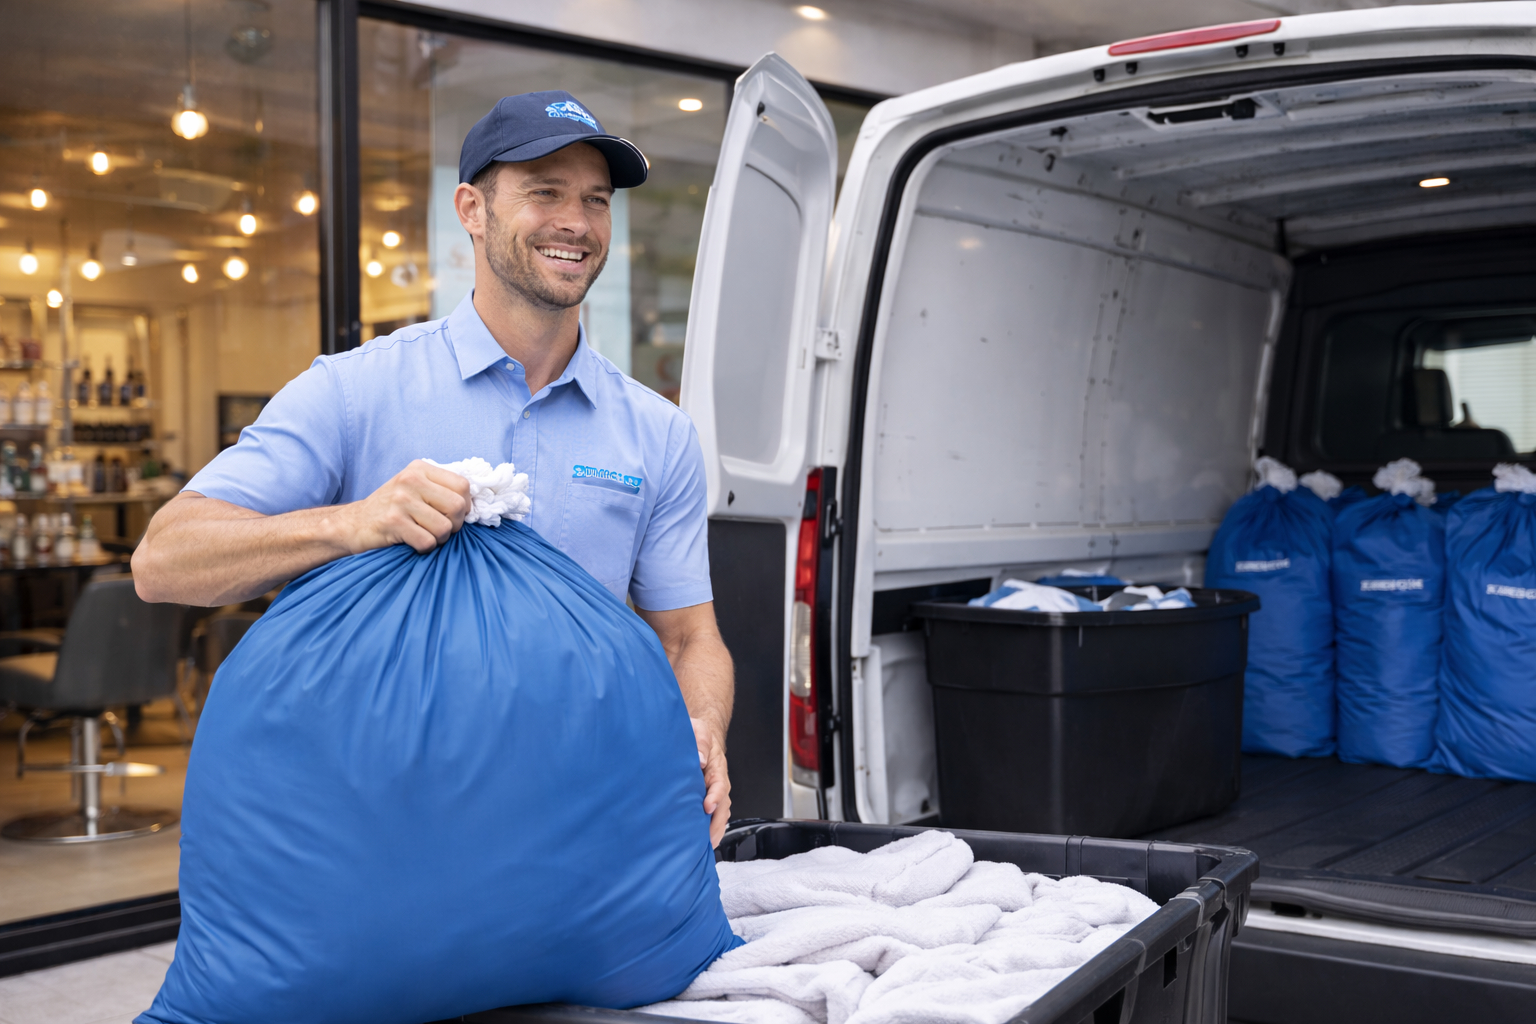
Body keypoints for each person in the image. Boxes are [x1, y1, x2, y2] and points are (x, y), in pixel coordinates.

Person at [132, 91, 735, 845]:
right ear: (472, 210)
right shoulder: (354, 392)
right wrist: (353, 524)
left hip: (581, 818)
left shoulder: (659, 433)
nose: (576, 223)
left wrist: (701, 727)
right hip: (387, 826)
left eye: (595, 200)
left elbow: (689, 640)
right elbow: (164, 560)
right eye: (543, 192)